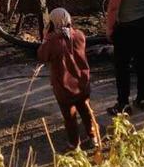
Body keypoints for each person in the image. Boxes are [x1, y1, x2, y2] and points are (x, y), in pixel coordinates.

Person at [37, 8, 100, 150]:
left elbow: (42, 56)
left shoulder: (52, 42)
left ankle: (74, 144)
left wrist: (46, 37)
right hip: (82, 83)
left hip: (63, 86)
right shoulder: (79, 35)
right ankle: (93, 137)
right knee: (86, 111)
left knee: (70, 117)